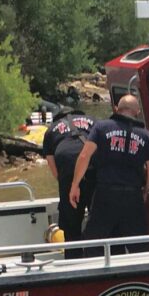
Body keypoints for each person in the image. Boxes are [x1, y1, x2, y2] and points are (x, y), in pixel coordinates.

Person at [70, 95, 149, 255]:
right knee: (140, 248)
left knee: (93, 244)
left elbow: (84, 156)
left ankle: (93, 277)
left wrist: (75, 186)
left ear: (117, 108)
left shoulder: (102, 127)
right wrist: (145, 191)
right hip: (132, 196)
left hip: (105, 194)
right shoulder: (146, 136)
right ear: (137, 112)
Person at [42, 109, 95, 259]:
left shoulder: (51, 129)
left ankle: (73, 261)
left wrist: (68, 184)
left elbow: (53, 167)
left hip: (66, 168)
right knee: (97, 218)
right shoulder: (93, 120)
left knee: (71, 225)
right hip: (92, 164)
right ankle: (98, 258)